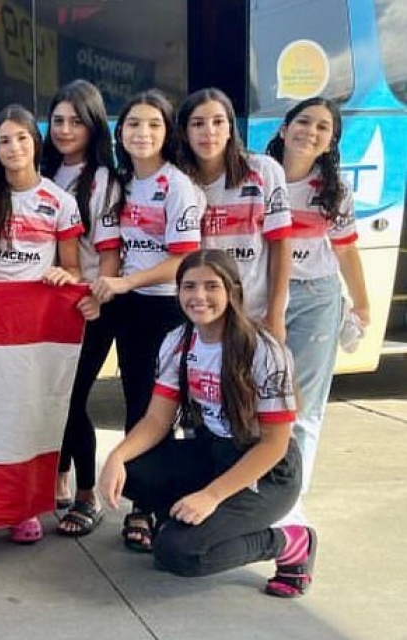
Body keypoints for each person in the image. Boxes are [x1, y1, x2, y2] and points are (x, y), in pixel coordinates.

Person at [98, 249, 316, 599]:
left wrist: (212, 495)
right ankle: (193, 521)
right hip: (212, 451)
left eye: (211, 287)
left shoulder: (262, 349)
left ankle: (290, 542)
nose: (199, 297)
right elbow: (157, 419)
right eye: (189, 287)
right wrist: (116, 457)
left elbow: (274, 444)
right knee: (133, 471)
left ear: (232, 292)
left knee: (178, 553)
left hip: (265, 470)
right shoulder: (178, 342)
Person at [0, 103, 91, 544]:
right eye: (3, 140)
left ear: (35, 143)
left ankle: (25, 507)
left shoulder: (61, 201)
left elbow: (74, 270)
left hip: (37, 332)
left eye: (21, 138)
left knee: (30, 419)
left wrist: (63, 276)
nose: (13, 147)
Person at [90, 90, 203, 552]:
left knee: (155, 408)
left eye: (154, 125)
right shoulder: (115, 183)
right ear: (120, 133)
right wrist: (107, 285)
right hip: (127, 303)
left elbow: (183, 260)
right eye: (134, 124)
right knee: (131, 398)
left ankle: (147, 509)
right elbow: (111, 247)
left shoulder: (177, 186)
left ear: (167, 132)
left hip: (163, 306)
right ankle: (136, 496)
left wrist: (124, 283)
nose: (142, 133)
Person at [265, 97, 370, 517]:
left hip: (315, 298)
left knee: (303, 403)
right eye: (303, 121)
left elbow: (346, 252)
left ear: (330, 143)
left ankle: (292, 497)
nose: (311, 131)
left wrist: (362, 305)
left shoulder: (335, 191)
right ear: (283, 130)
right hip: (263, 294)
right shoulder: (259, 177)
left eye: (323, 128)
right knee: (258, 396)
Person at [39, 80, 122, 536]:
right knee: (49, 397)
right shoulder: (44, 172)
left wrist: (96, 294)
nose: (65, 130)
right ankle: (58, 479)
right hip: (48, 306)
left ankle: (89, 496)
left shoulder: (104, 180)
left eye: (76, 121)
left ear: (93, 127)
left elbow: (108, 254)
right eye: (58, 121)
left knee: (71, 398)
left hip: (91, 306)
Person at [176, 88, 292, 341]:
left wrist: (275, 314)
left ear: (230, 129)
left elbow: (281, 245)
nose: (209, 131)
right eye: (198, 124)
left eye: (218, 122)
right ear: (185, 133)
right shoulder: (177, 181)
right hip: (199, 316)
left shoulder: (263, 170)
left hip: (253, 313)